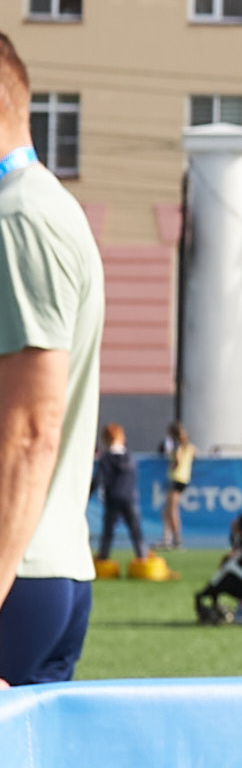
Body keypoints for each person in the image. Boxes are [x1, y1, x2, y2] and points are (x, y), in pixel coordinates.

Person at [0, 33, 104, 685]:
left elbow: (31, 430)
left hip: (19, 570)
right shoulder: (39, 207)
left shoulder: (20, 218)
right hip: (37, 566)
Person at [90, 424, 149, 570]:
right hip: (129, 497)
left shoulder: (106, 459)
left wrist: (88, 493)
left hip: (112, 498)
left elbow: (99, 479)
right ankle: (142, 555)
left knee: (108, 531)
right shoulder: (129, 457)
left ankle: (104, 556)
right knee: (135, 530)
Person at [160, 420, 193, 551]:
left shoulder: (177, 446)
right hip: (184, 479)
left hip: (176, 478)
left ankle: (176, 540)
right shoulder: (188, 446)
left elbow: (178, 460)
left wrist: (172, 467)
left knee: (171, 510)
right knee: (168, 511)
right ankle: (167, 538)